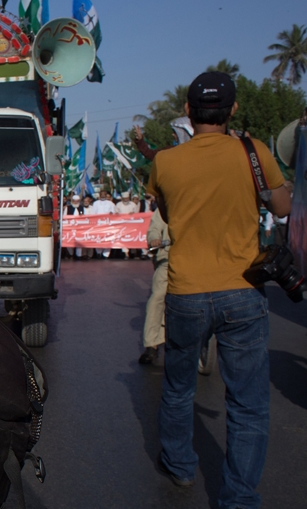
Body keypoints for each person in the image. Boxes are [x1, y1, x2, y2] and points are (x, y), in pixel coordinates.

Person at [148, 71, 291, 508]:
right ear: (232, 110)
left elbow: (167, 213)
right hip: (243, 290)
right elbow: (282, 206)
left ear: (188, 112)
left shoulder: (166, 162)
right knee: (247, 404)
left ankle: (179, 465)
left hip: (187, 290)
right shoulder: (254, 152)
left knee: (177, 389)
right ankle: (240, 497)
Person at [138, 209, 168, 364]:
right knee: (158, 297)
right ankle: (152, 344)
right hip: (169, 259)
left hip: (198, 261)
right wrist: (155, 238)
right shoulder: (168, 205)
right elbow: (155, 228)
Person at [91, 190, 116, 258]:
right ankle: (98, 253)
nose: (102, 195)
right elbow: (93, 213)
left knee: (108, 238)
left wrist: (111, 213)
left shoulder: (111, 203)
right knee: (98, 238)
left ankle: (106, 254)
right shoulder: (95, 203)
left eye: (104, 194)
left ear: (106, 195)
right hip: (98, 224)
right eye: (101, 194)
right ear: (99, 195)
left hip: (108, 224)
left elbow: (114, 212)